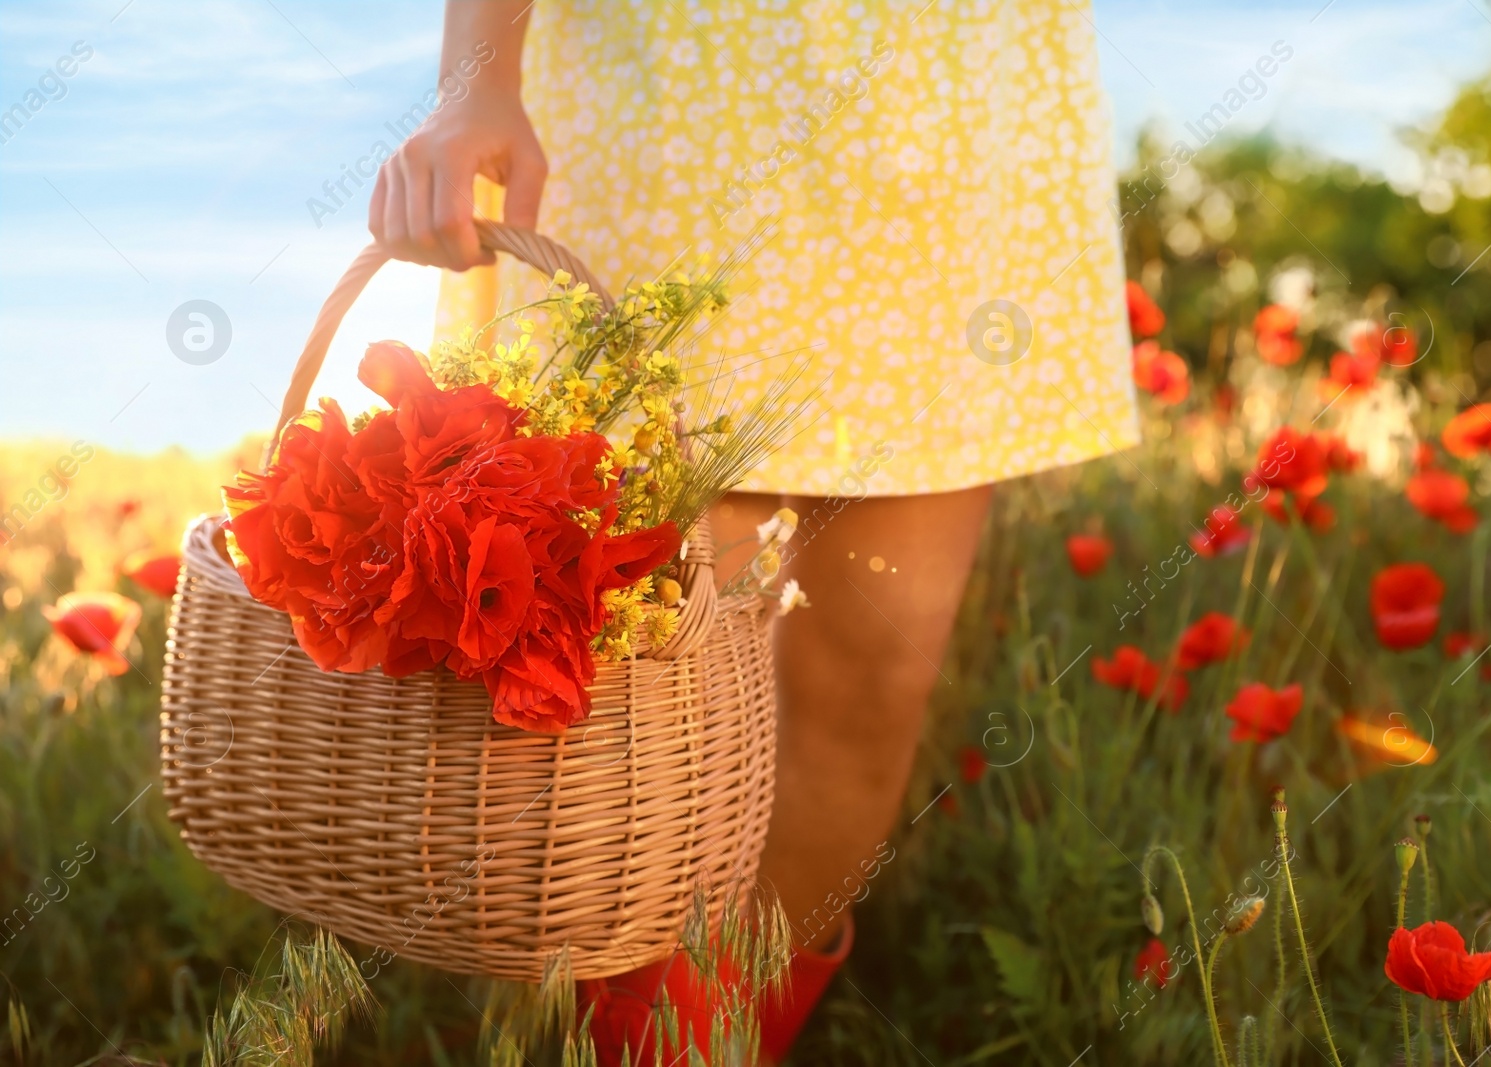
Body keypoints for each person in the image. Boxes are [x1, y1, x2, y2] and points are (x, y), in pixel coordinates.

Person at [369, 2, 1136, 1061]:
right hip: (669, 99)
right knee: (625, 678)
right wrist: (476, 79)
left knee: (873, 669)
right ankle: (622, 1034)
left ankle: (716, 1037)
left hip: (948, 104)